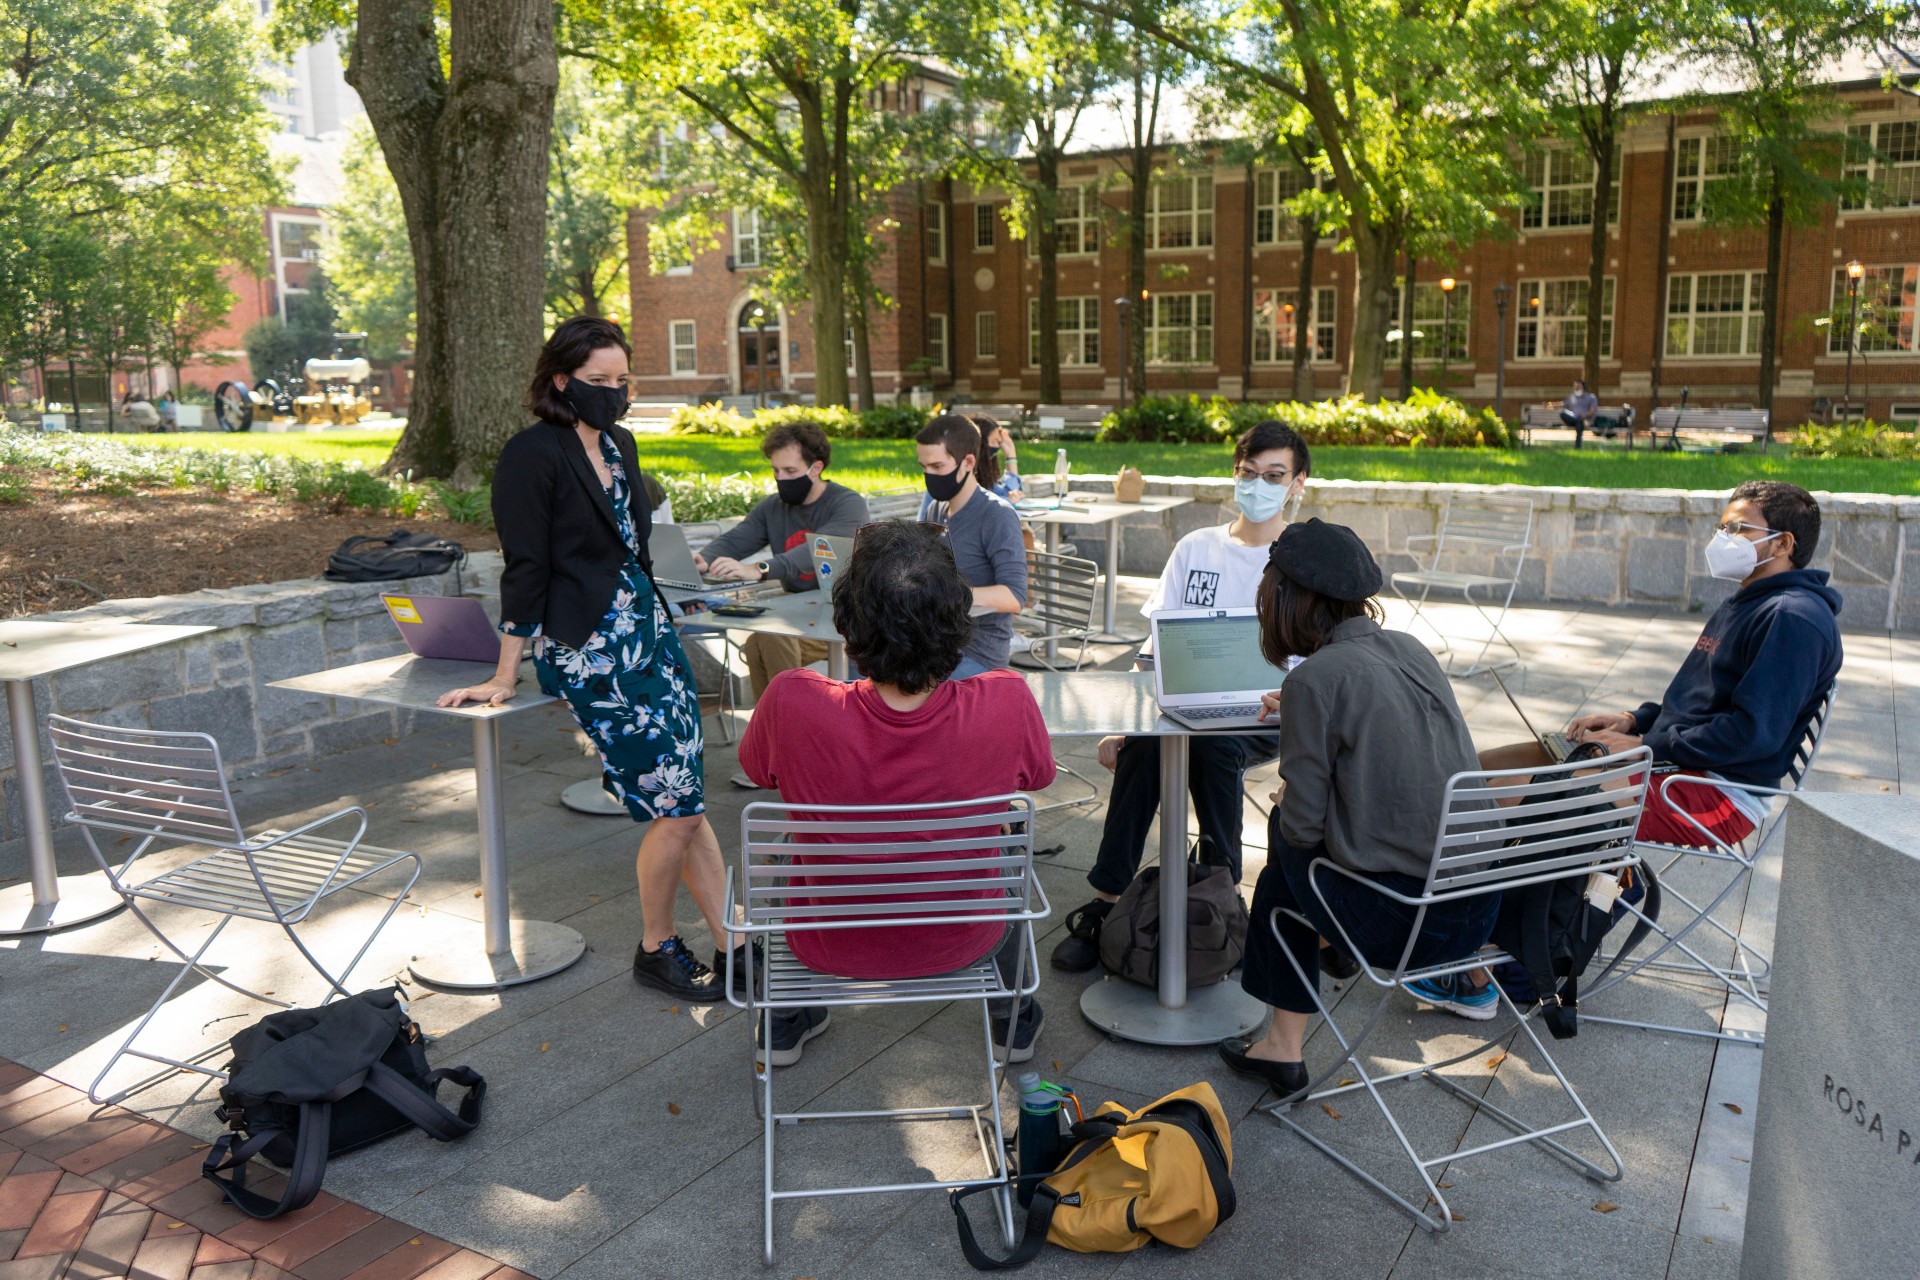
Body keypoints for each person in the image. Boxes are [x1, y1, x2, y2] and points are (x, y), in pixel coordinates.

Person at [1412, 480, 1844, 1020]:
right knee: (1477, 772)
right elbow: (1699, 705)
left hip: (1712, 792)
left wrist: (1644, 742)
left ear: (1782, 544)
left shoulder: (1792, 619)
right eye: (1722, 525)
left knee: (1499, 798)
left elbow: (1749, 735)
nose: (1723, 537)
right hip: (1671, 759)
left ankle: (1472, 968)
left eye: (1738, 528)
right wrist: (1631, 720)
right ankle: (1456, 925)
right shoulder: (1749, 600)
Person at [438, 316, 739, 1004]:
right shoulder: (530, 454)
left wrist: (678, 573)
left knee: (686, 798)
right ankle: (656, 947)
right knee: (680, 808)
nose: (613, 393)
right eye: (598, 381)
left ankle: (734, 945)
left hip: (651, 635)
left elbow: (632, 540)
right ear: (560, 380)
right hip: (591, 648)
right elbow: (526, 566)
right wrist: (506, 670)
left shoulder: (620, 443)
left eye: (621, 381)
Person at [739, 520, 1054, 1067]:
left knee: (789, 844)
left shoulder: (792, 700)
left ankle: (785, 1023)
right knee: (1007, 850)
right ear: (958, 618)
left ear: (848, 620)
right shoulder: (1007, 699)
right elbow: (1039, 777)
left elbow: (757, 770)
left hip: (827, 939)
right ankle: (1014, 1021)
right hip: (962, 934)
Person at [1216, 520, 1499, 1098]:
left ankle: (1284, 1042)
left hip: (1405, 926)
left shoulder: (1316, 680)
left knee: (1281, 854)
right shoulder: (1411, 649)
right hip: (1477, 913)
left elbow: (1302, 826)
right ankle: (1323, 957)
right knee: (1294, 869)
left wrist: (1294, 787)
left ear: (1288, 599)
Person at [1050, 420, 1312, 973]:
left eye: (1274, 475)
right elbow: (1154, 648)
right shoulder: (1198, 547)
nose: (1258, 484)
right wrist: (1126, 720)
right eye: (1248, 472)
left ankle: (1220, 903)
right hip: (1183, 703)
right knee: (1145, 746)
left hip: (1266, 715)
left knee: (1213, 749)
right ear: (1234, 474)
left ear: (1298, 483)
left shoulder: (1304, 561)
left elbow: (1322, 667)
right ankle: (1106, 902)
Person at [693, 419, 871, 702]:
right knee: (760, 641)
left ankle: (786, 725)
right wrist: (704, 559)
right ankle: (778, 728)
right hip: (799, 617)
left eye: (790, 471)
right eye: (776, 471)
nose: (782, 479)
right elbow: (740, 537)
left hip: (847, 621)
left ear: (816, 468)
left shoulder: (847, 505)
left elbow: (817, 552)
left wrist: (760, 569)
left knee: (768, 638)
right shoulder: (772, 508)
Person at [916, 414, 1028, 677]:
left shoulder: (996, 514)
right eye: (923, 467)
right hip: (936, 643)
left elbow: (1014, 596)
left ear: (968, 462)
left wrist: (947, 596)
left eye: (937, 466)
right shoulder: (937, 509)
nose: (928, 476)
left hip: (978, 654)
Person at [971, 414, 1025, 501]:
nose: (998, 446)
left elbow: (1011, 492)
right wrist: (1008, 500)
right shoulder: (968, 475)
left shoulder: (985, 476)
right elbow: (983, 504)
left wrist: (1011, 455)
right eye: (994, 442)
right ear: (980, 444)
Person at [1558, 379, 1599, 447]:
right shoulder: (1572, 397)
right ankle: (1579, 421)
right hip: (1574, 419)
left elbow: (1592, 411)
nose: (1576, 388)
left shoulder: (1591, 397)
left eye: (1578, 386)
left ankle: (1577, 446)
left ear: (1583, 387)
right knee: (1562, 414)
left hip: (1586, 420)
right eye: (1575, 386)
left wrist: (1584, 415)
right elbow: (1562, 403)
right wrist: (1550, 404)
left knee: (1579, 424)